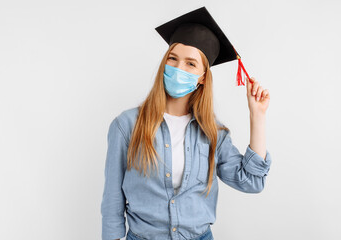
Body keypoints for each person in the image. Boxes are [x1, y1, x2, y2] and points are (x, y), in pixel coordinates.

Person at [101, 6, 272, 240]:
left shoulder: (213, 132)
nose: (178, 68)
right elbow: (112, 198)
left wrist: (257, 116)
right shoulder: (126, 125)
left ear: (202, 77)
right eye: (173, 59)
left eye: (190, 64)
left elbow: (251, 182)